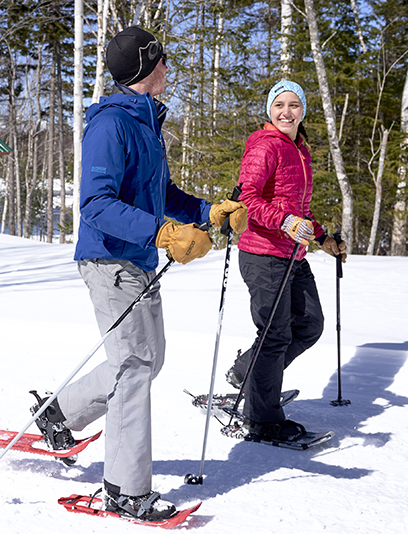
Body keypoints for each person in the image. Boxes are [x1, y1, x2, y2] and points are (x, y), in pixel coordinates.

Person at [30, 26, 247, 522]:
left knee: (149, 361)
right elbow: (96, 204)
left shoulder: (147, 122)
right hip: (109, 260)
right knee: (133, 368)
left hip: (138, 260)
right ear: (148, 69)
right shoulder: (111, 125)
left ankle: (58, 413)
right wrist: (165, 234)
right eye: (164, 61)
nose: (169, 68)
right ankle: (125, 490)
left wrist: (208, 212)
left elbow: (161, 194)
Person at [224, 80, 347, 441]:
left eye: (294, 105)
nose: (286, 112)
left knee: (309, 325)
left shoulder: (300, 150)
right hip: (263, 254)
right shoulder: (264, 146)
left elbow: (300, 209)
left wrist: (322, 236)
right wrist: (284, 222)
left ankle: (248, 372)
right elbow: (248, 198)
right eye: (279, 105)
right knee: (275, 334)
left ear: (302, 111)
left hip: (292, 253)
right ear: (269, 110)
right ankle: (263, 421)